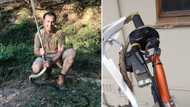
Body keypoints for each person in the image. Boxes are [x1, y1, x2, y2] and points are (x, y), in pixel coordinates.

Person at [31, 12, 76, 86]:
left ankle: (62, 75)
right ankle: (47, 73)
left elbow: (60, 51)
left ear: (55, 22)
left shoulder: (59, 33)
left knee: (72, 52)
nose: (50, 24)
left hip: (58, 57)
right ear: (43, 21)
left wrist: (51, 61)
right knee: (35, 68)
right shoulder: (38, 34)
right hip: (45, 57)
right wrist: (40, 52)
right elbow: (35, 51)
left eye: (52, 22)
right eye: (47, 21)